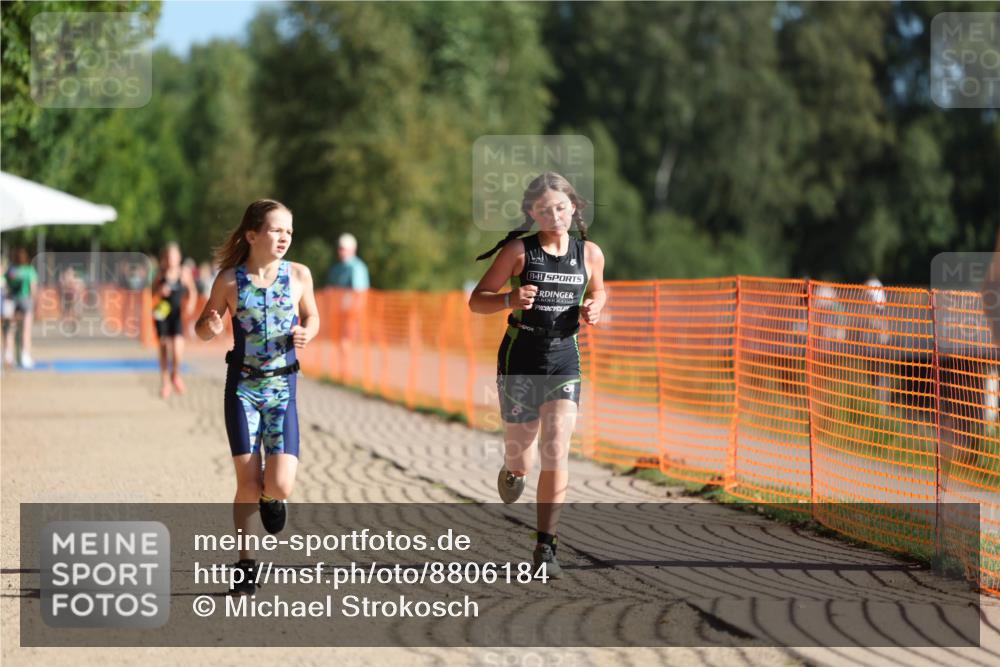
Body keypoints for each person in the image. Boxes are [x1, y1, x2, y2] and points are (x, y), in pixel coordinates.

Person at [468, 172, 606, 578]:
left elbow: (599, 289)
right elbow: (477, 301)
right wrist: (509, 298)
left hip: (565, 355)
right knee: (523, 455)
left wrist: (596, 304)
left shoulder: (590, 254)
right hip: (521, 355)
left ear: (574, 207)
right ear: (531, 212)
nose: (554, 215)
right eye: (544, 210)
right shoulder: (519, 251)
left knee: (557, 448)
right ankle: (513, 470)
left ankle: (546, 547)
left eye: (561, 207)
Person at [195, 199, 319, 596]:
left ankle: (272, 498)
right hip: (243, 389)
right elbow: (201, 327)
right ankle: (246, 563)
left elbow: (312, 316)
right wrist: (211, 326)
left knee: (280, 484)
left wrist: (308, 333)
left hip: (283, 389)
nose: (285, 238)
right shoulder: (229, 280)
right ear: (252, 235)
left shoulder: (299, 275)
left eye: (289, 232)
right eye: (277, 230)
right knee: (246, 481)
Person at [151, 242, 198, 399]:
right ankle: (165, 382)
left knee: (177, 350)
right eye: (169, 256)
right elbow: (151, 292)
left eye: (174, 256)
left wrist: (190, 304)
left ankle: (175, 375)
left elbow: (192, 291)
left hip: (177, 314)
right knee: (164, 347)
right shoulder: (161, 273)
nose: (171, 259)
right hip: (162, 313)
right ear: (165, 258)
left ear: (179, 257)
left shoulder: (184, 273)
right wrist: (159, 290)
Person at [326, 233, 370, 378]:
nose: (341, 251)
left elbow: (359, 293)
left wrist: (354, 313)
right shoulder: (337, 268)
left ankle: (349, 372)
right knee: (342, 343)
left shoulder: (357, 268)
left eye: (344, 249)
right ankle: (343, 371)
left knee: (347, 342)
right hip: (339, 312)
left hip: (351, 313)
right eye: (340, 248)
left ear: (352, 249)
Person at [4, 248, 38, 368]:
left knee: (10, 330)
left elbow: (6, 285)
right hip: (25, 301)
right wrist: (35, 304)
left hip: (12, 301)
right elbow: (33, 288)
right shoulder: (29, 270)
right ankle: (25, 357)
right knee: (26, 330)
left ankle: (8, 355)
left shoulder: (11, 270)